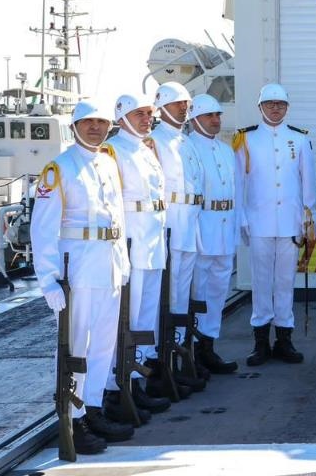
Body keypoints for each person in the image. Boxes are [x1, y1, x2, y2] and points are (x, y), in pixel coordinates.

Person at [31, 100, 134, 455]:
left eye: (101, 122)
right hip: (77, 271)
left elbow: (118, 219)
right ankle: (73, 420)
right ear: (74, 126)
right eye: (88, 122)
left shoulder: (108, 163)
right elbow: (43, 230)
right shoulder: (58, 169)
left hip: (108, 267)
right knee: (76, 347)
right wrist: (48, 281)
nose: (95, 127)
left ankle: (93, 408)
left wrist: (123, 263)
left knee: (103, 344)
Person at [233, 83, 316, 366]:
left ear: (287, 107)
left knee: (285, 281)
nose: (275, 108)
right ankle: (260, 342)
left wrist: (309, 219)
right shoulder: (246, 139)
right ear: (260, 107)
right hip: (259, 222)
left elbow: (308, 182)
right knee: (261, 282)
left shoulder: (299, 139)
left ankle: (284, 339)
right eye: (269, 104)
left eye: (280, 104)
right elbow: (238, 183)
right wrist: (242, 218)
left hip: (290, 223)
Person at [100, 94, 172, 421]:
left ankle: (136, 381)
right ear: (121, 117)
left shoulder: (146, 149)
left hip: (153, 241)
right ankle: (117, 389)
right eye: (138, 113)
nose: (146, 119)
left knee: (145, 319)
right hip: (132, 242)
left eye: (148, 113)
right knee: (126, 320)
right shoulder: (113, 150)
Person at [149, 81, 208, 395]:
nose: (183, 109)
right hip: (170, 223)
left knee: (182, 296)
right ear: (161, 108)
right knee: (167, 296)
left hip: (190, 223)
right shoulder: (154, 141)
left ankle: (180, 358)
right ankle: (162, 363)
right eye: (176, 104)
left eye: (186, 104)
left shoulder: (186, 141)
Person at [188, 95, 242, 369]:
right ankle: (193, 349)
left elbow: (237, 190)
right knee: (197, 291)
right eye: (209, 115)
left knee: (219, 290)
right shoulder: (187, 148)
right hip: (202, 228)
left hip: (224, 227)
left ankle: (209, 346)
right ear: (194, 118)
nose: (215, 120)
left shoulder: (225, 150)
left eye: (218, 115)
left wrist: (237, 226)